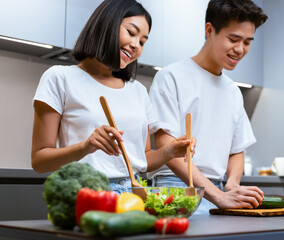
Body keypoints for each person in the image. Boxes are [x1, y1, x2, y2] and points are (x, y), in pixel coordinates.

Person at [31, 0, 194, 194]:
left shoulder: (138, 91)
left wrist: (168, 152)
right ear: (107, 24)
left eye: (142, 42)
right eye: (131, 33)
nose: (136, 45)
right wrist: (86, 146)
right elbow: (39, 161)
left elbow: (142, 160)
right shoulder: (60, 78)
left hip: (135, 195)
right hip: (87, 193)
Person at [148, 0, 268, 214]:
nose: (240, 49)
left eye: (248, 42)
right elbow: (168, 148)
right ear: (209, 30)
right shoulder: (170, 77)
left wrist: (231, 183)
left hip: (219, 190)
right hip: (176, 188)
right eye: (233, 39)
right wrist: (218, 195)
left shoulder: (232, 91)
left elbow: (236, 150)